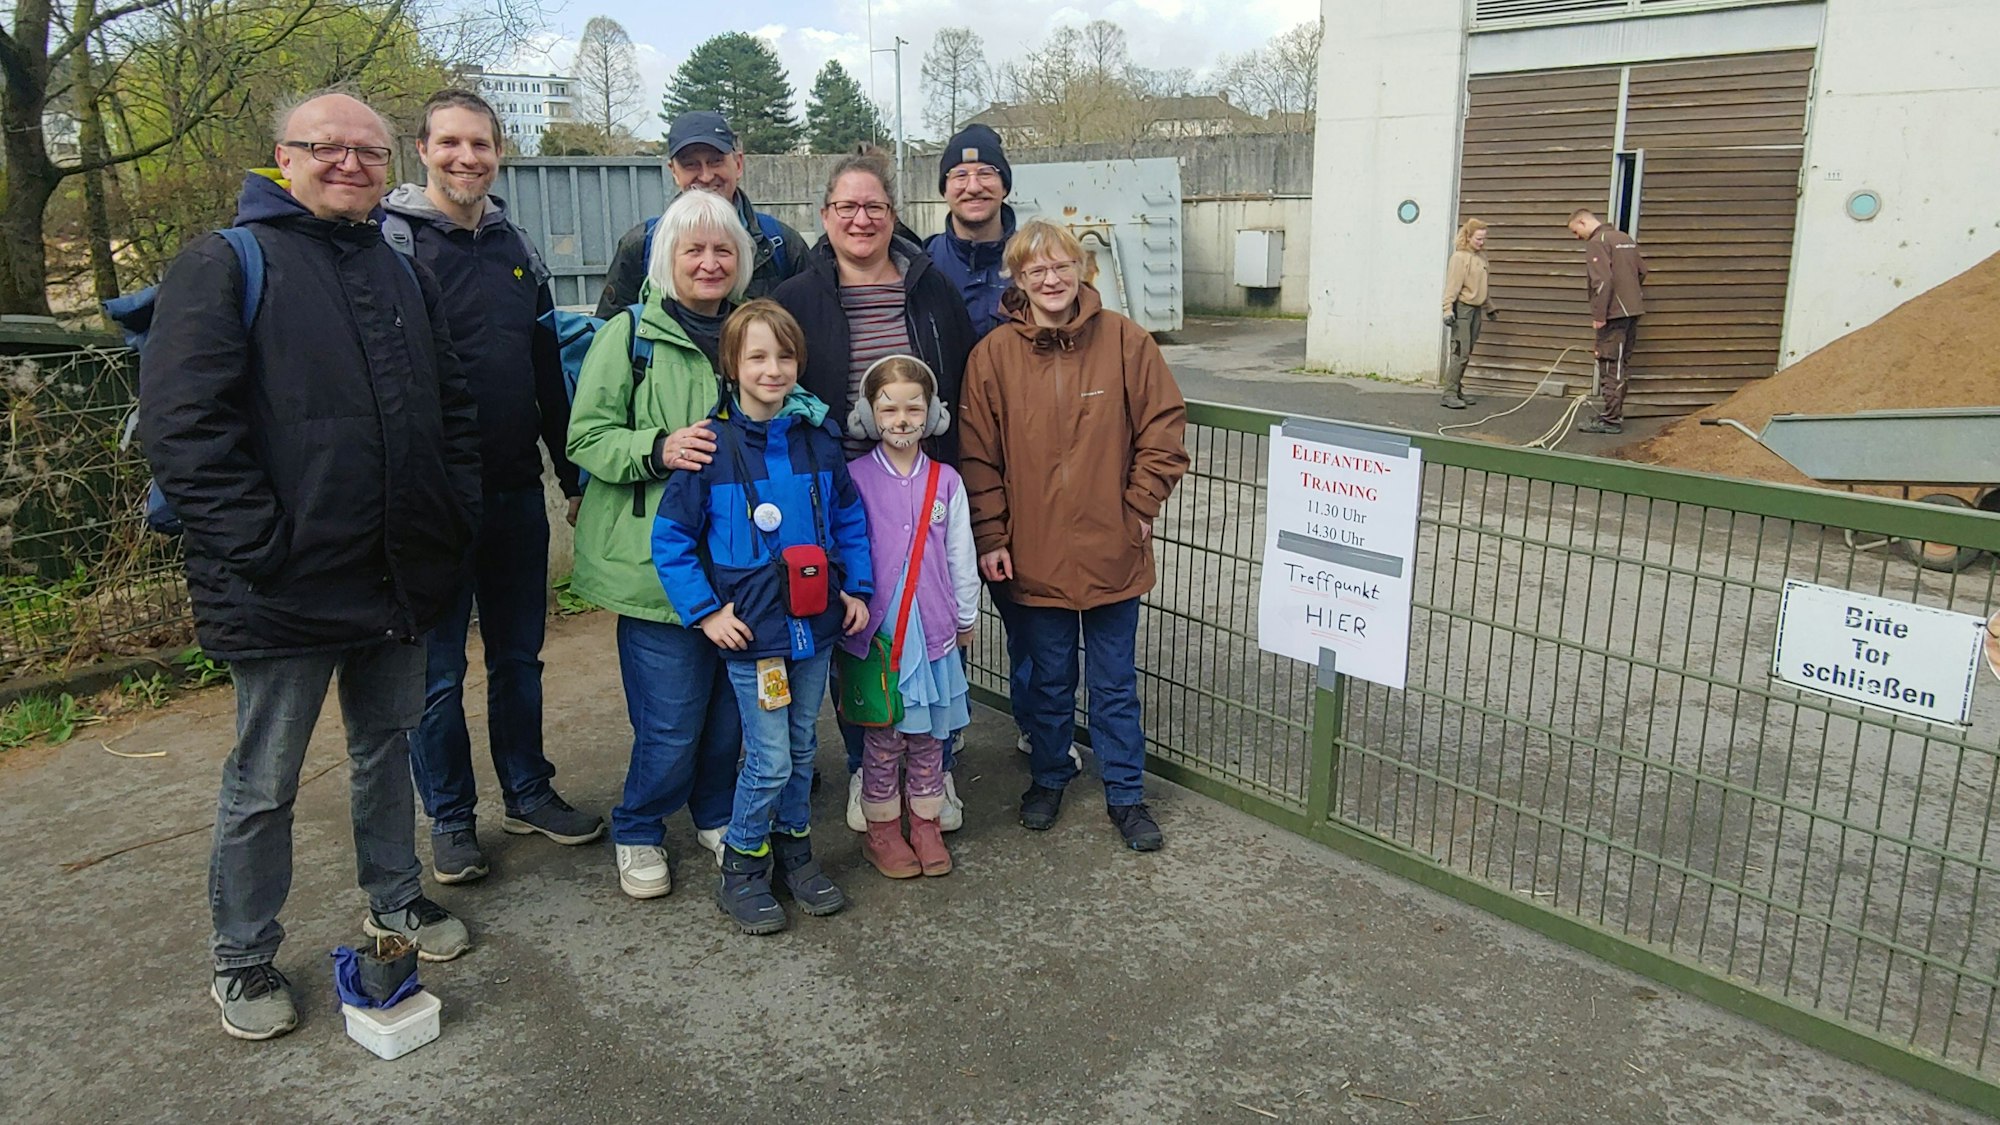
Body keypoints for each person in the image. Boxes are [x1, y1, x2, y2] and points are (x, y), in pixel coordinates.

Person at [139, 91, 482, 1042]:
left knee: (385, 752)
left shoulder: (398, 267)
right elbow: (185, 427)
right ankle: (242, 955)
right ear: (282, 157)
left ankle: (396, 901)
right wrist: (259, 547)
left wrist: (447, 521)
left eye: (369, 152)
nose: (350, 165)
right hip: (283, 583)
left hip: (396, 573)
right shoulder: (223, 263)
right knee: (266, 778)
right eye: (327, 148)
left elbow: (450, 408)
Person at [382, 88, 601, 884]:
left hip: (514, 489)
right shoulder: (391, 246)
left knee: (519, 656)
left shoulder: (518, 249)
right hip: (432, 501)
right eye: (450, 143)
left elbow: (547, 370)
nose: (465, 157)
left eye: (480, 144)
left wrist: (571, 472)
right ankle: (449, 818)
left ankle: (527, 790)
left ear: (498, 152)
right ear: (422, 148)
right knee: (437, 671)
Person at [960, 219, 1190, 853]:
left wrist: (1140, 505)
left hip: (1112, 549)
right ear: (1018, 279)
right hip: (1033, 553)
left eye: (1060, 266)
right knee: (1049, 678)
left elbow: (1164, 429)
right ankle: (1050, 775)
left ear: (1082, 268)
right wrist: (992, 535)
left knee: (1115, 683)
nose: (1050, 279)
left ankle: (1126, 794)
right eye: (1035, 270)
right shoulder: (993, 357)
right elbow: (978, 457)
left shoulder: (1126, 342)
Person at [772, 149, 978, 832]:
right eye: (847, 207)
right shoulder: (796, 300)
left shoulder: (930, 289)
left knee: (931, 625)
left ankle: (933, 765)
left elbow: (963, 382)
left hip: (920, 488)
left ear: (894, 215)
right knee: (862, 629)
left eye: (875, 207)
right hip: (839, 495)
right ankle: (870, 769)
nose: (861, 219)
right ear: (825, 216)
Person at [652, 300, 874, 935]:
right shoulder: (710, 448)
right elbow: (670, 542)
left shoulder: (818, 440)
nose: (772, 369)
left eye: (783, 356)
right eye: (756, 356)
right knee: (771, 758)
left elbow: (850, 520)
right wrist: (704, 613)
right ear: (732, 364)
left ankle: (795, 855)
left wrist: (854, 587)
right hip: (754, 638)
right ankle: (743, 868)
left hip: (817, 627)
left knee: (804, 748)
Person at [567, 189, 747, 901]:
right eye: (693, 249)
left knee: (729, 714)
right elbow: (587, 437)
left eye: (722, 249)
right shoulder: (629, 335)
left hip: (739, 566)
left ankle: (715, 812)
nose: (709, 262)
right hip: (655, 569)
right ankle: (639, 825)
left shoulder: (748, 332)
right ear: (667, 259)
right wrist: (658, 447)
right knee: (670, 722)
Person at [841, 355, 978, 879]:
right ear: (869, 413)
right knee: (882, 737)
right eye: (888, 407)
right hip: (879, 636)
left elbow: (960, 554)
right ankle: (882, 831)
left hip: (935, 630)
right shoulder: (852, 477)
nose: (901, 418)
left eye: (913, 407)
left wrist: (965, 615)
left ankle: (925, 825)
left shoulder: (946, 482)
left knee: (930, 738)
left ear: (933, 413)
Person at [594, 111, 807, 317]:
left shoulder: (781, 244)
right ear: (674, 172)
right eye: (690, 164)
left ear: (739, 164)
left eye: (715, 161)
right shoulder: (641, 246)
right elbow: (610, 336)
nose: (705, 176)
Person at [925, 124, 1017, 339]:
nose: (973, 187)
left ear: (1004, 187)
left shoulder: (1035, 261)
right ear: (944, 190)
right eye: (960, 175)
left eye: (985, 173)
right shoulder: (921, 265)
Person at [1567, 208, 1649, 435]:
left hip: (1613, 314)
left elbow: (1601, 281)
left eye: (1576, 231)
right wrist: (1630, 293)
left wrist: (1599, 316)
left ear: (1583, 222)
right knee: (1622, 363)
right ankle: (1613, 413)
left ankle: (1611, 419)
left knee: (1610, 363)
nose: (1577, 237)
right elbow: (1643, 271)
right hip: (1633, 310)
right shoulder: (1624, 238)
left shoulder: (1597, 242)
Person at [1439, 218, 1498, 411]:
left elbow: (1483, 287)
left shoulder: (1482, 258)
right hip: (1462, 309)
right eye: (1478, 239)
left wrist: (1490, 307)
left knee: (1468, 351)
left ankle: (1457, 389)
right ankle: (1448, 393)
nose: (1482, 243)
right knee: (1460, 352)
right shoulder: (1459, 258)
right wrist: (1447, 309)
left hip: (1477, 309)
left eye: (1484, 239)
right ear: (1468, 237)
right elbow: (1452, 285)